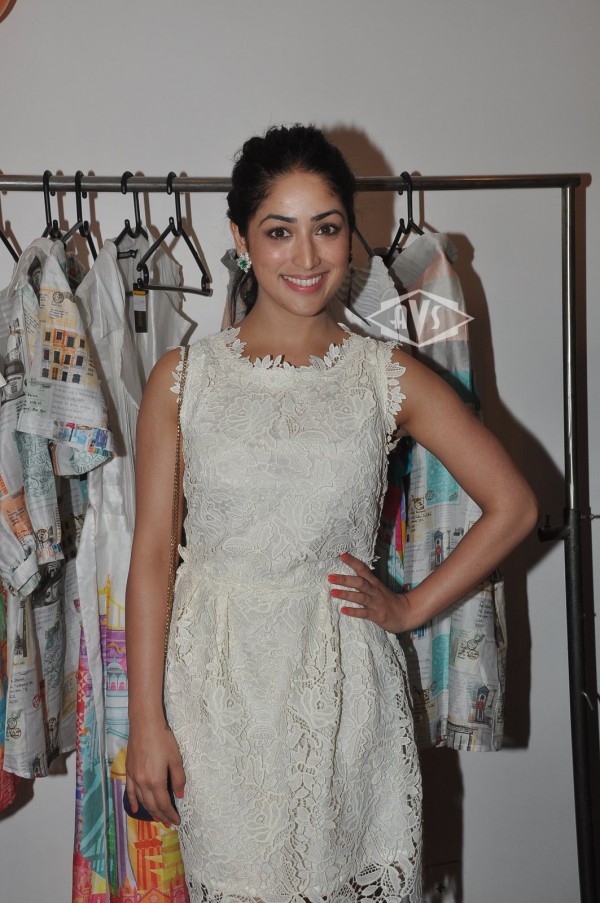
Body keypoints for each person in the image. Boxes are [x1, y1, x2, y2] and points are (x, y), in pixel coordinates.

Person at [125, 124, 538, 903]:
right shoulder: (183, 378)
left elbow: (514, 505)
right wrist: (144, 722)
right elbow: (151, 555)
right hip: (217, 695)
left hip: (344, 692)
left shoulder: (386, 376)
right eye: (279, 230)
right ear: (240, 239)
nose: (307, 256)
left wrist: (410, 606)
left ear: (352, 234)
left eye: (327, 227)